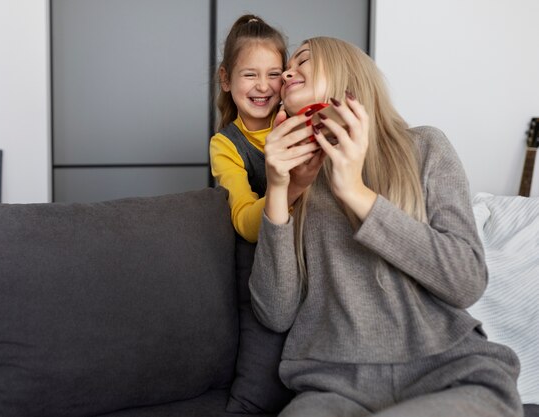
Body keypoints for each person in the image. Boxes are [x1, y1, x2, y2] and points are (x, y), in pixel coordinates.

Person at [249, 36, 523, 417]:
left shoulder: (425, 147)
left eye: (304, 60)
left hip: (451, 371)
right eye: (286, 69)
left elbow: (466, 280)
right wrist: (280, 190)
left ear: (348, 75)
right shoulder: (297, 178)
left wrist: (356, 192)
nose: (287, 73)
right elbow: (275, 313)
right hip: (333, 385)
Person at [210, 14, 318, 242]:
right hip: (276, 246)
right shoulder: (225, 145)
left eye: (274, 74)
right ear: (226, 79)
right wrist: (293, 186)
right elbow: (246, 225)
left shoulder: (299, 116)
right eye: (250, 74)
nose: (262, 86)